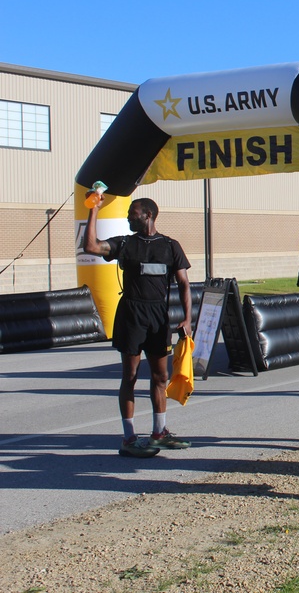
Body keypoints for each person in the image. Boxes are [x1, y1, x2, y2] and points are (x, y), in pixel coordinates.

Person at [83, 195, 192, 458]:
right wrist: (93, 211)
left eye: (134, 213)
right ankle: (129, 438)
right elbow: (91, 247)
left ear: (149, 216)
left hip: (158, 317)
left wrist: (188, 319)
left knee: (160, 377)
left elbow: (184, 283)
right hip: (131, 315)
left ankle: (159, 432)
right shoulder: (125, 243)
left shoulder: (170, 246)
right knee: (129, 377)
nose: (129, 217)